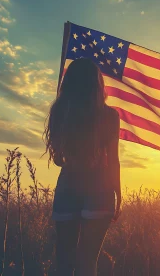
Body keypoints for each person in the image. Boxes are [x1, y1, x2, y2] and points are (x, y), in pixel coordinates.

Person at [43, 58, 122, 276]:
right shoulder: (110, 115)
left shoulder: (59, 112)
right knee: (87, 262)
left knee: (65, 261)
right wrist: (117, 191)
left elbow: (59, 160)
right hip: (101, 188)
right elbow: (113, 159)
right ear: (98, 84)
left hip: (68, 184)